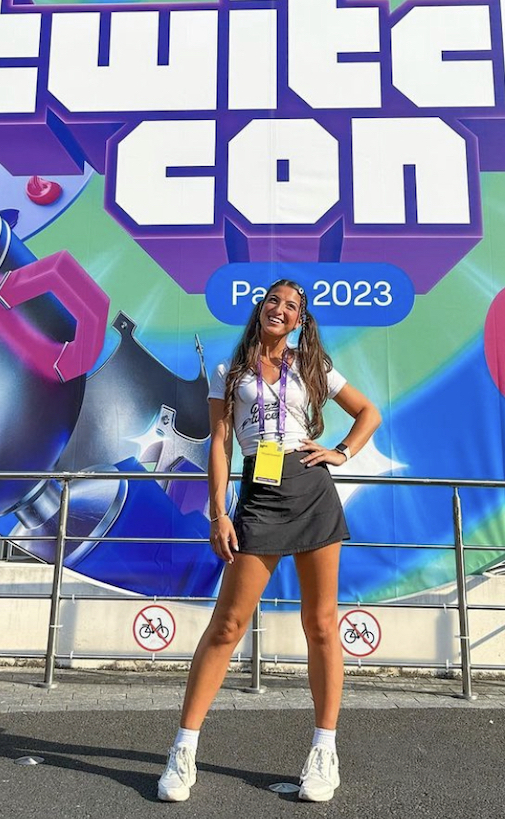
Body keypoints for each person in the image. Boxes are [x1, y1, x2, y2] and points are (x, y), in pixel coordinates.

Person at [157, 280, 381, 803]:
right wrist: (218, 511)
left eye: (291, 306)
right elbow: (219, 442)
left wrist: (341, 453)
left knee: (321, 624)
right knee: (228, 624)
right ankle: (183, 749)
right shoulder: (228, 372)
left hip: (311, 490)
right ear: (261, 310)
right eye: (273, 301)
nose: (280, 309)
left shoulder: (312, 366)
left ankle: (324, 752)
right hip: (259, 491)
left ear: (300, 320)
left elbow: (368, 413)